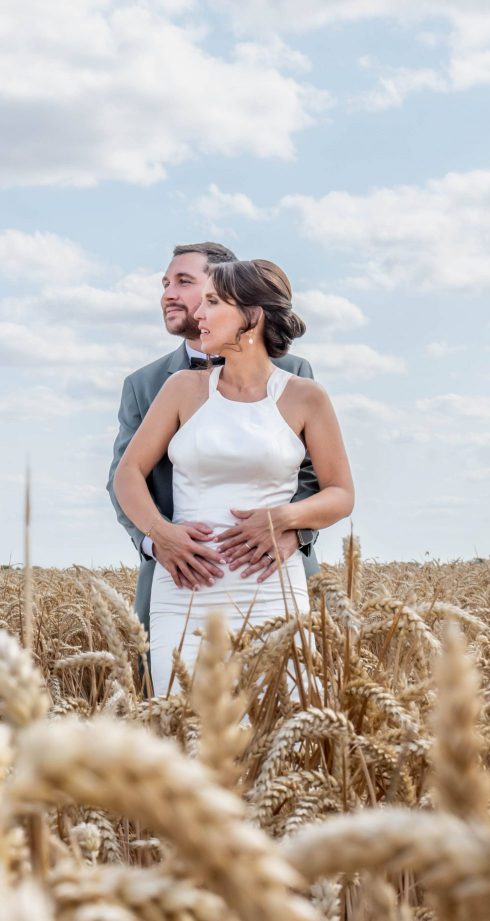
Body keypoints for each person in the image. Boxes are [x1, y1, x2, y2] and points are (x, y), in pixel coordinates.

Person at [111, 258, 354, 696]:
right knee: (184, 730)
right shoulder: (182, 389)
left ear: (252, 315)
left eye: (212, 301)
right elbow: (127, 472)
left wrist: (282, 520)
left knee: (279, 725)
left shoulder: (305, 396)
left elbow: (340, 493)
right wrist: (159, 532)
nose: (198, 314)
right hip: (184, 589)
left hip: (272, 590)